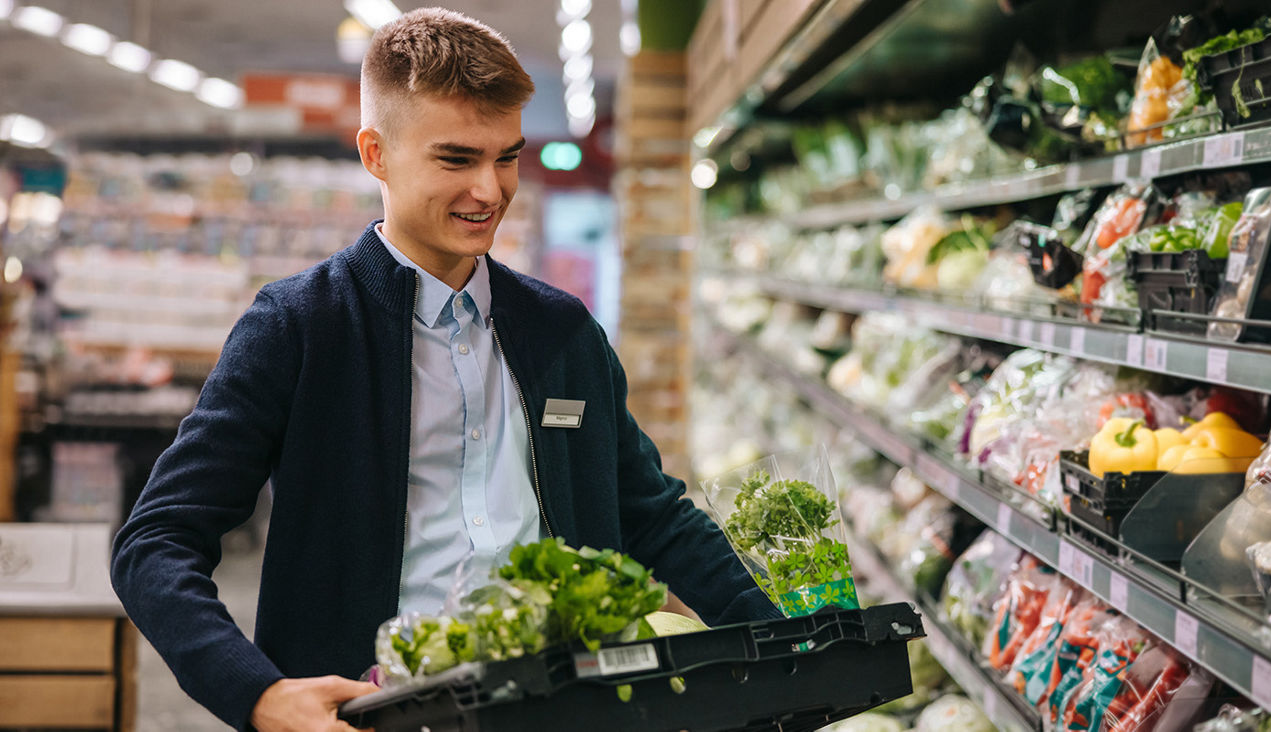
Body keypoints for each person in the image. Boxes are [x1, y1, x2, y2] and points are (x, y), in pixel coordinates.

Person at [110, 7, 779, 731]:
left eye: (507, 156)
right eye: (456, 159)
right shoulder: (301, 327)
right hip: (373, 716)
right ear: (376, 155)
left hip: (566, 710)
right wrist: (258, 694)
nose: (490, 191)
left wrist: (792, 644)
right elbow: (156, 541)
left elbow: (655, 516)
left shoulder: (562, 332)